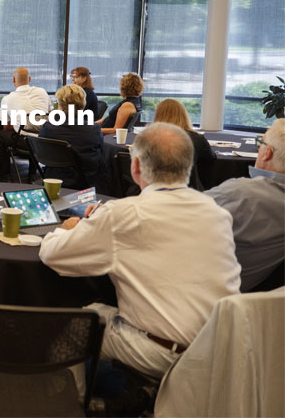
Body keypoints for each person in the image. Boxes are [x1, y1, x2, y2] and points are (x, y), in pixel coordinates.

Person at [39, 122, 241, 378]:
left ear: (135, 167)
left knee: (76, 321)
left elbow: (53, 255)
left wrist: (68, 229)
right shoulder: (217, 213)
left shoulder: (123, 215)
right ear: (189, 166)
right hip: (220, 350)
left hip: (163, 352)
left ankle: (72, 403)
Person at [205, 119, 285, 292]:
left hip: (202, 293)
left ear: (266, 152)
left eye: (260, 144)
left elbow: (177, 216)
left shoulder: (239, 194)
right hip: (254, 301)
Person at [38, 84, 109, 193]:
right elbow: (100, 153)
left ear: (60, 105)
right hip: (86, 183)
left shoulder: (48, 127)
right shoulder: (93, 129)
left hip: (54, 179)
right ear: (83, 104)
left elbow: (42, 153)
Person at [0, 67, 51, 181]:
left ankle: (4, 174)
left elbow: (5, 126)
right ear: (29, 79)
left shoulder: (7, 99)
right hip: (45, 140)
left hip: (24, 142)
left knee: (0, 135)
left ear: (13, 80)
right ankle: (32, 173)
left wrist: (17, 123)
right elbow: (49, 113)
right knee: (33, 132)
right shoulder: (42, 92)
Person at [153, 98, 214, 189]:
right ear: (184, 115)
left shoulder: (150, 138)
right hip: (190, 190)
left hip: (154, 188)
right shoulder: (196, 138)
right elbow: (211, 158)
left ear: (158, 116)